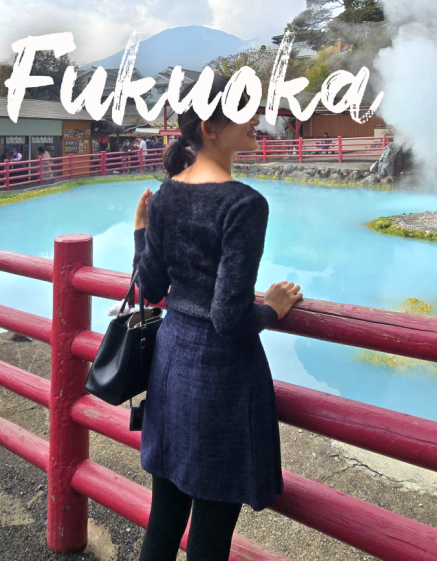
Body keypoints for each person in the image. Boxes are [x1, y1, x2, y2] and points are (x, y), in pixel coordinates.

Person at [133, 75, 303, 561]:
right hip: (219, 379)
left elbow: (150, 289)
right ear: (210, 128)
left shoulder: (167, 195)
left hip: (170, 365)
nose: (256, 119)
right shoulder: (243, 204)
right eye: (244, 110)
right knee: (210, 536)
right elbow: (229, 317)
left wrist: (141, 232)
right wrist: (272, 308)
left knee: (163, 523)